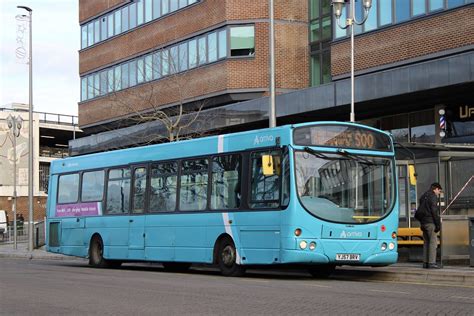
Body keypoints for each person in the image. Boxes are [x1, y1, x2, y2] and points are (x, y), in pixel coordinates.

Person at [417, 183, 442, 269]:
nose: (439, 193)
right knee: (433, 242)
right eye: (439, 191)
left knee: (426, 242)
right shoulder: (433, 196)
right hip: (430, 223)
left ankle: (425, 263)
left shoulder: (424, 196)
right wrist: (438, 224)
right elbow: (434, 211)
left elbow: (420, 210)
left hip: (423, 223)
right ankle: (432, 263)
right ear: (435, 189)